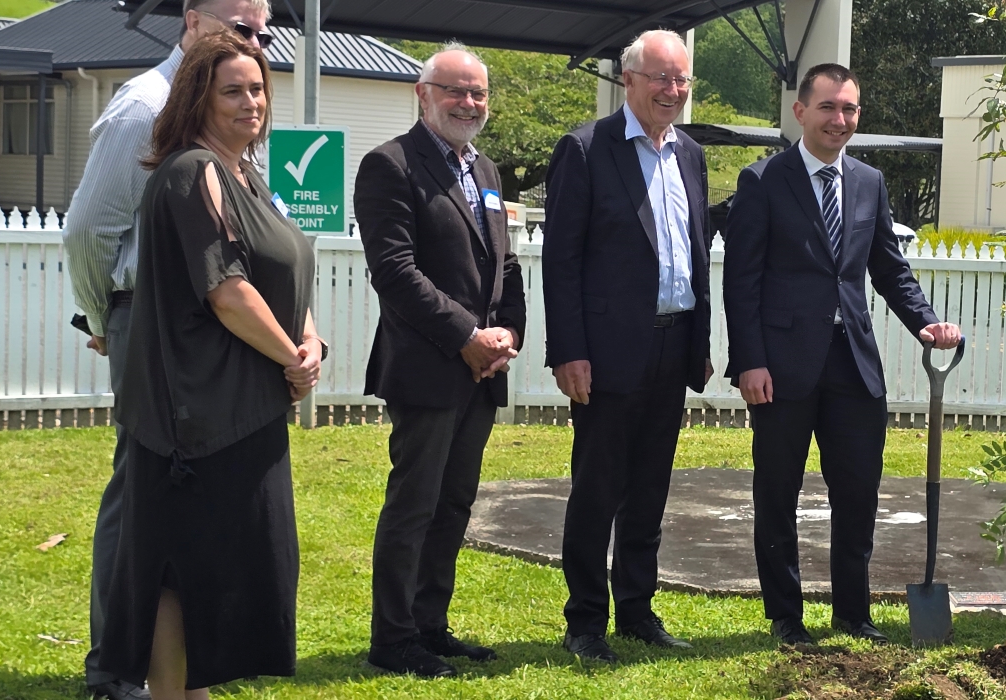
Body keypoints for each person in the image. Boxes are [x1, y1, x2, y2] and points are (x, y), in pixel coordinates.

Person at [101, 32, 320, 699]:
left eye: (257, 88)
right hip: (197, 419)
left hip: (244, 408)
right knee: (180, 572)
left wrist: (308, 338)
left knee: (217, 571)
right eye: (233, 91)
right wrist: (293, 359)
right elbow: (227, 290)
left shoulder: (245, 175)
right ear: (198, 98)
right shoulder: (191, 172)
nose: (251, 102)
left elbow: (280, 270)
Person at [62, 0, 272, 696]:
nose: (255, 39)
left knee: (195, 500)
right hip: (150, 323)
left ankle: (184, 663)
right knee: (143, 496)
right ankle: (117, 665)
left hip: (210, 332)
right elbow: (89, 229)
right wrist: (103, 315)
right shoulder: (143, 105)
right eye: (240, 25)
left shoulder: (234, 108)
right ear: (191, 19)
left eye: (263, 29)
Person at [724, 63, 962, 646]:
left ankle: (853, 612)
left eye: (849, 108)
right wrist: (749, 360)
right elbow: (741, 280)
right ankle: (786, 616)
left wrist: (926, 322)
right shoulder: (763, 180)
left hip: (853, 362)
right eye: (828, 107)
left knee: (857, 491)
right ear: (800, 111)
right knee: (777, 492)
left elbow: (889, 268)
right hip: (781, 365)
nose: (839, 119)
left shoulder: (868, 181)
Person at [542, 29, 712, 663]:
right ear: (628, 79)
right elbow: (561, 261)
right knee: (598, 488)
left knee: (649, 490)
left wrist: (700, 339)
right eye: (661, 77)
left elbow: (694, 256)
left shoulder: (690, 154)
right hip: (608, 352)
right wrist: (569, 350)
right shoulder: (586, 149)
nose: (673, 90)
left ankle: (637, 610)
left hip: (674, 344)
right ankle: (586, 620)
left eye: (681, 79)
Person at [355, 46, 525, 678]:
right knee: (415, 505)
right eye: (455, 90)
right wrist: (465, 336)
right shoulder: (390, 164)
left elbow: (505, 262)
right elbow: (395, 272)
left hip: (481, 371)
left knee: (454, 504)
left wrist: (507, 332)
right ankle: (393, 637)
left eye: (478, 93)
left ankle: (430, 625)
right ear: (422, 94)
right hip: (426, 367)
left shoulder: (485, 169)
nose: (468, 103)